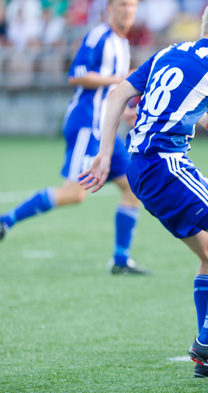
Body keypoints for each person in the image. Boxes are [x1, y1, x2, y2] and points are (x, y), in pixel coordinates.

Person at [78, 0, 208, 379]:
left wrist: (103, 155)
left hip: (137, 164)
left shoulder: (168, 52)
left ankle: (204, 360)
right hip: (166, 164)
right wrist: (204, 111)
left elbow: (116, 96)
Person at [0, 0, 151, 276]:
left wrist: (126, 114)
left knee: (133, 188)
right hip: (86, 125)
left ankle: (120, 259)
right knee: (74, 194)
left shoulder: (123, 43)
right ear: (109, 8)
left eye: (132, 5)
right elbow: (77, 75)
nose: (127, 10)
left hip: (106, 130)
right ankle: (5, 220)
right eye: (122, 5)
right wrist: (120, 78)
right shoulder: (99, 36)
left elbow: (111, 92)